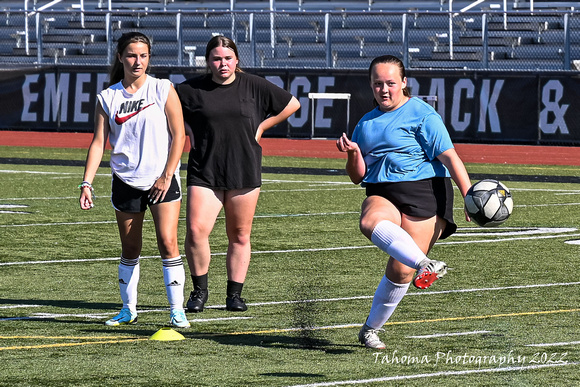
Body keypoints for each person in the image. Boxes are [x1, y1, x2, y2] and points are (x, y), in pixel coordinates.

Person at [336, 55, 472, 349]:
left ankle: (370, 329)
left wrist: (468, 193)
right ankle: (426, 264)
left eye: (390, 83)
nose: (383, 90)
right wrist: (352, 154)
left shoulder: (423, 114)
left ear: (404, 83)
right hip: (382, 190)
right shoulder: (365, 123)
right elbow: (357, 177)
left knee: (401, 270)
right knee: (369, 221)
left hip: (426, 191)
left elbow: (449, 156)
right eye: (377, 84)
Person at [176, 35, 300, 313]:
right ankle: (199, 292)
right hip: (204, 168)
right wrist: (188, 129)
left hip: (243, 167)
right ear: (208, 61)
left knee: (240, 234)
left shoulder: (253, 85)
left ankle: (235, 295)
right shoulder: (190, 89)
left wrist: (262, 126)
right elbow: (167, 110)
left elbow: (292, 104)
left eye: (228, 58)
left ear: (237, 60)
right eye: (217, 59)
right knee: (196, 231)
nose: (222, 63)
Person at [79, 32, 190, 328]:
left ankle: (177, 311)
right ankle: (128, 309)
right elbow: (98, 142)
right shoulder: (109, 97)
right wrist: (86, 182)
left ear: (149, 57)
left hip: (162, 181)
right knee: (130, 248)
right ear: (120, 57)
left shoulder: (162, 89)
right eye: (131, 55)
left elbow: (180, 135)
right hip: (126, 180)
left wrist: (167, 175)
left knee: (168, 243)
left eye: (143, 55)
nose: (137, 61)